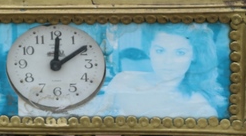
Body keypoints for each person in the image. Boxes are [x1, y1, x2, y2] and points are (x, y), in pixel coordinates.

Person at [79, 23, 229, 118]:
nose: (168, 61)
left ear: (194, 55)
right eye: (160, 51)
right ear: (149, 50)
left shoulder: (200, 109)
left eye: (180, 53)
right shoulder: (124, 79)